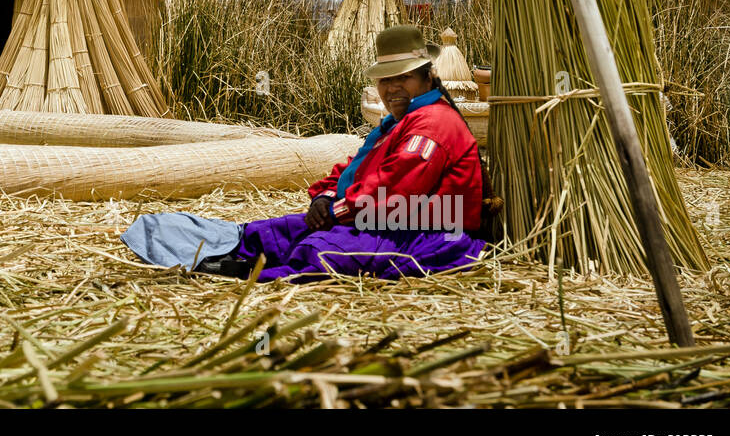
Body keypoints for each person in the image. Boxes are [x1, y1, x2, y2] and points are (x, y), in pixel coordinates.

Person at [121, 25, 487, 281]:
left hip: (430, 232)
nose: (391, 88)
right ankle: (209, 247)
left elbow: (394, 194)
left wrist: (335, 211)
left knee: (320, 249)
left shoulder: (431, 125)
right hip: (377, 218)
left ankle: (242, 273)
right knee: (275, 231)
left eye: (402, 77)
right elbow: (353, 169)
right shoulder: (400, 121)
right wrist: (326, 196)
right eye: (384, 79)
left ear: (425, 76)